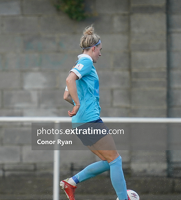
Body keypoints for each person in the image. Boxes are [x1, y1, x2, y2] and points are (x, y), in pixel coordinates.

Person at [60, 25, 129, 200]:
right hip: (89, 120)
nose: (100, 53)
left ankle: (72, 182)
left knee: (109, 161)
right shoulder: (86, 62)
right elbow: (69, 80)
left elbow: (66, 94)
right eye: (100, 50)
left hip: (80, 123)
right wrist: (78, 106)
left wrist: (78, 104)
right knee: (116, 160)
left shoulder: (79, 64)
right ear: (93, 48)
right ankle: (123, 198)